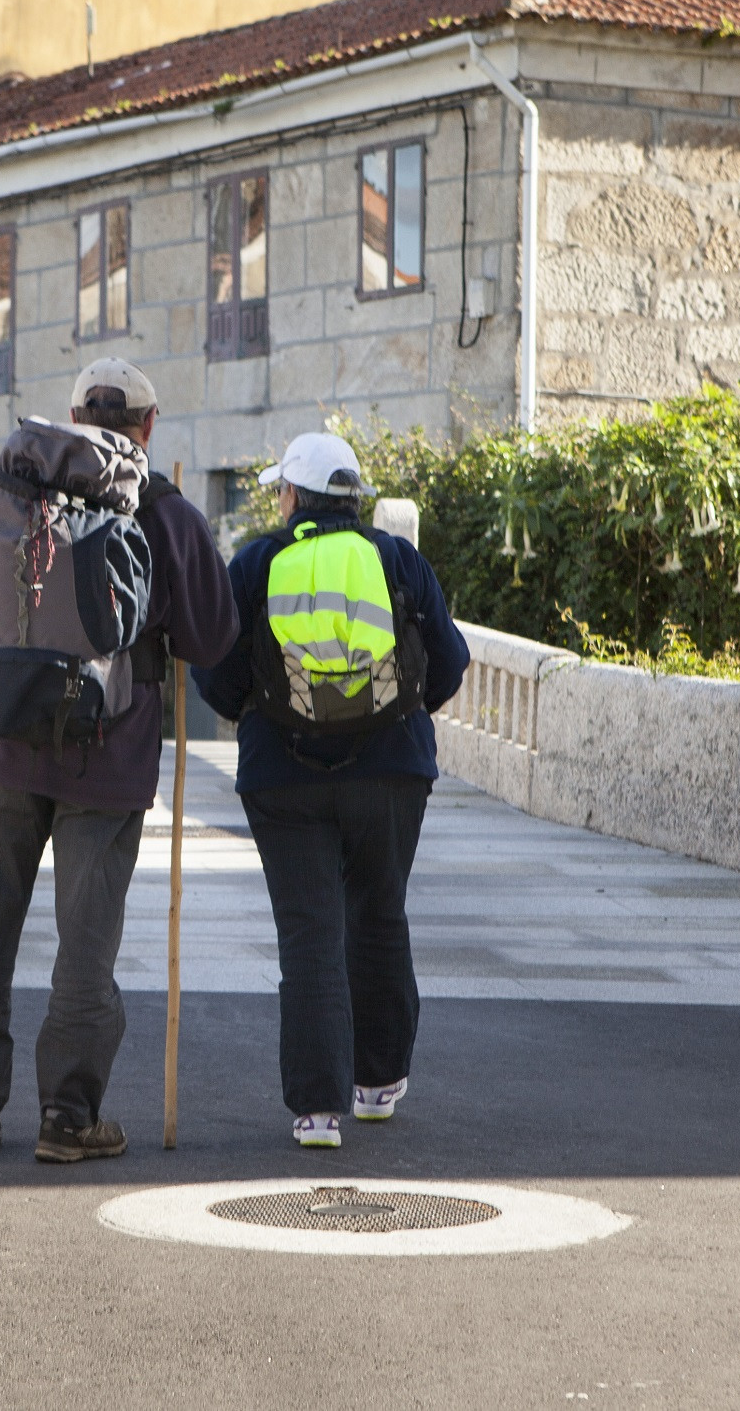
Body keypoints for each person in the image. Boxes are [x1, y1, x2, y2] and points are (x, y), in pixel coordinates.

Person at [0, 357, 238, 1162]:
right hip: (106, 758)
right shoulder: (162, 510)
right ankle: (68, 1115)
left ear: (70, 417)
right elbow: (212, 638)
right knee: (86, 942)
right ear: (148, 424)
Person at [196, 431, 468, 1148]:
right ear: (354, 499)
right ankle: (377, 1083)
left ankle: (317, 1111)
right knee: (379, 914)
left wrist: (261, 711)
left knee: (309, 930)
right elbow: (449, 661)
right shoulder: (397, 559)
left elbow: (215, 674)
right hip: (391, 771)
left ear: (292, 496)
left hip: (283, 777)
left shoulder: (257, 561)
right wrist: (393, 718)